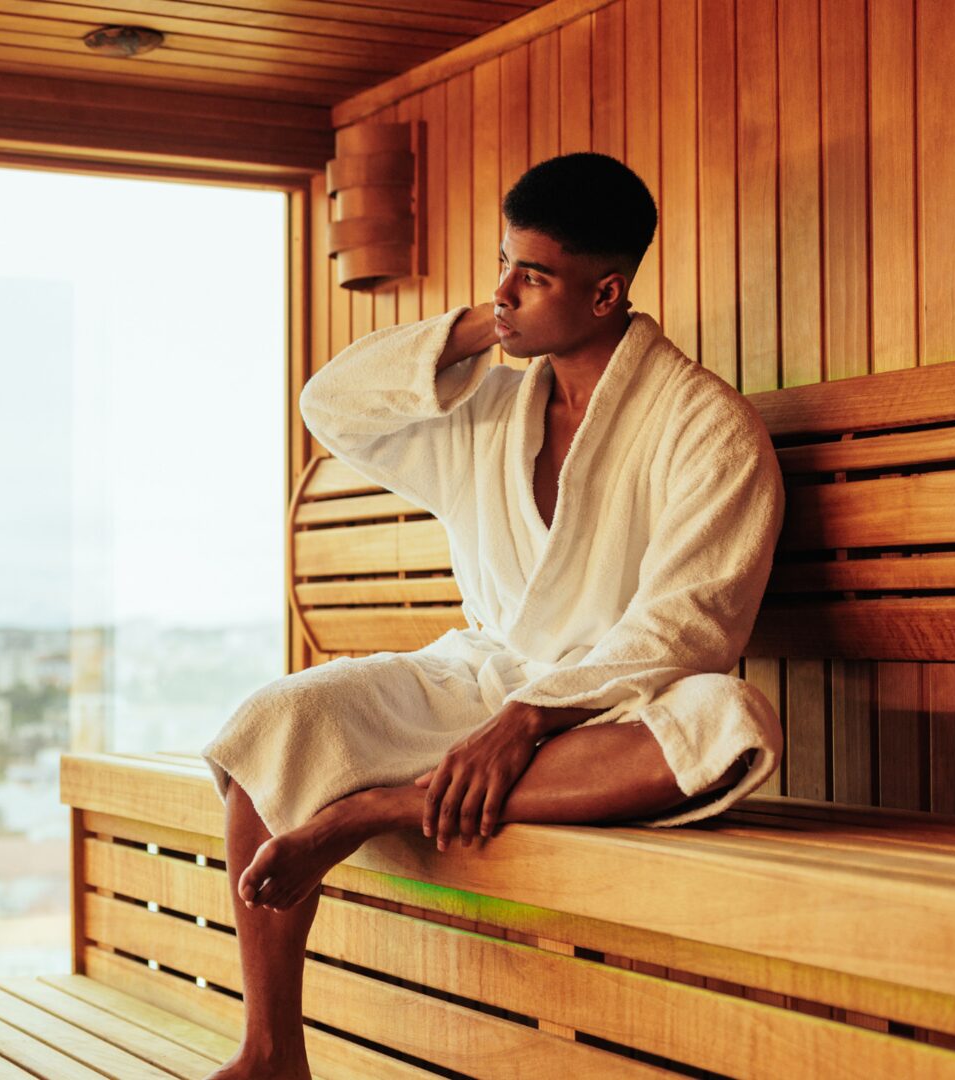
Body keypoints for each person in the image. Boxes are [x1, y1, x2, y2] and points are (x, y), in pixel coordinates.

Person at [199, 152, 786, 1080]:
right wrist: (492, 325)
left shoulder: (706, 426)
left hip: (603, 711)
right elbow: (331, 404)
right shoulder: (490, 405)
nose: (503, 290)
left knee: (730, 719)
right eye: (501, 263)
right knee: (278, 719)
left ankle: (380, 806)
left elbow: (692, 626)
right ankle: (272, 1051)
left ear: (607, 294)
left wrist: (530, 718)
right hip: (482, 676)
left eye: (533, 275)